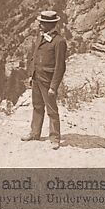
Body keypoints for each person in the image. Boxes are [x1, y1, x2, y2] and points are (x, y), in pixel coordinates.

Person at [21, 10, 67, 149]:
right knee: (37, 106)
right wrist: (31, 75)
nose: (39, 24)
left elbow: (60, 67)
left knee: (51, 110)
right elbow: (34, 57)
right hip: (37, 78)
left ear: (50, 24)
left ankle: (55, 138)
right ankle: (35, 133)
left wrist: (54, 86)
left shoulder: (59, 42)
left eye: (43, 23)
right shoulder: (40, 37)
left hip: (48, 80)